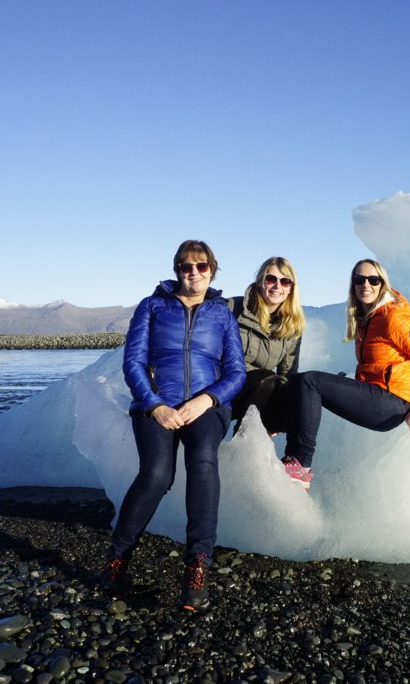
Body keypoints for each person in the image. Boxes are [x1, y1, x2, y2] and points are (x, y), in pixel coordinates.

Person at [100, 240, 246, 611]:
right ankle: (117, 559)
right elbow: (133, 363)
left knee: (202, 462)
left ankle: (197, 566)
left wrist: (207, 399)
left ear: (212, 269)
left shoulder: (222, 313)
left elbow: (235, 372)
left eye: (200, 266)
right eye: (185, 266)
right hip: (157, 407)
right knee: (156, 474)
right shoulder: (152, 306)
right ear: (176, 269)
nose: (193, 273)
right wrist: (154, 405)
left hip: (206, 408)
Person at [283, 259, 410, 488]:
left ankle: (301, 464)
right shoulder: (367, 319)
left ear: (382, 284)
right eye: (359, 279)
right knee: (299, 382)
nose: (365, 284)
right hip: (377, 395)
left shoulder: (394, 317)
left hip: (391, 403)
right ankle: (291, 460)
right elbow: (377, 366)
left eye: (373, 280)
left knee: (310, 381)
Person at [228, 257, 305, 436]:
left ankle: (295, 460)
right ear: (260, 281)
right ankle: (240, 443)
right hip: (226, 386)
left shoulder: (292, 326)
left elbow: (288, 373)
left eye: (285, 281)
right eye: (271, 279)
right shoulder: (234, 308)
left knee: (298, 400)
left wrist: (279, 410)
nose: (277, 286)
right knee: (267, 379)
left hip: (260, 393)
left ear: (291, 288)